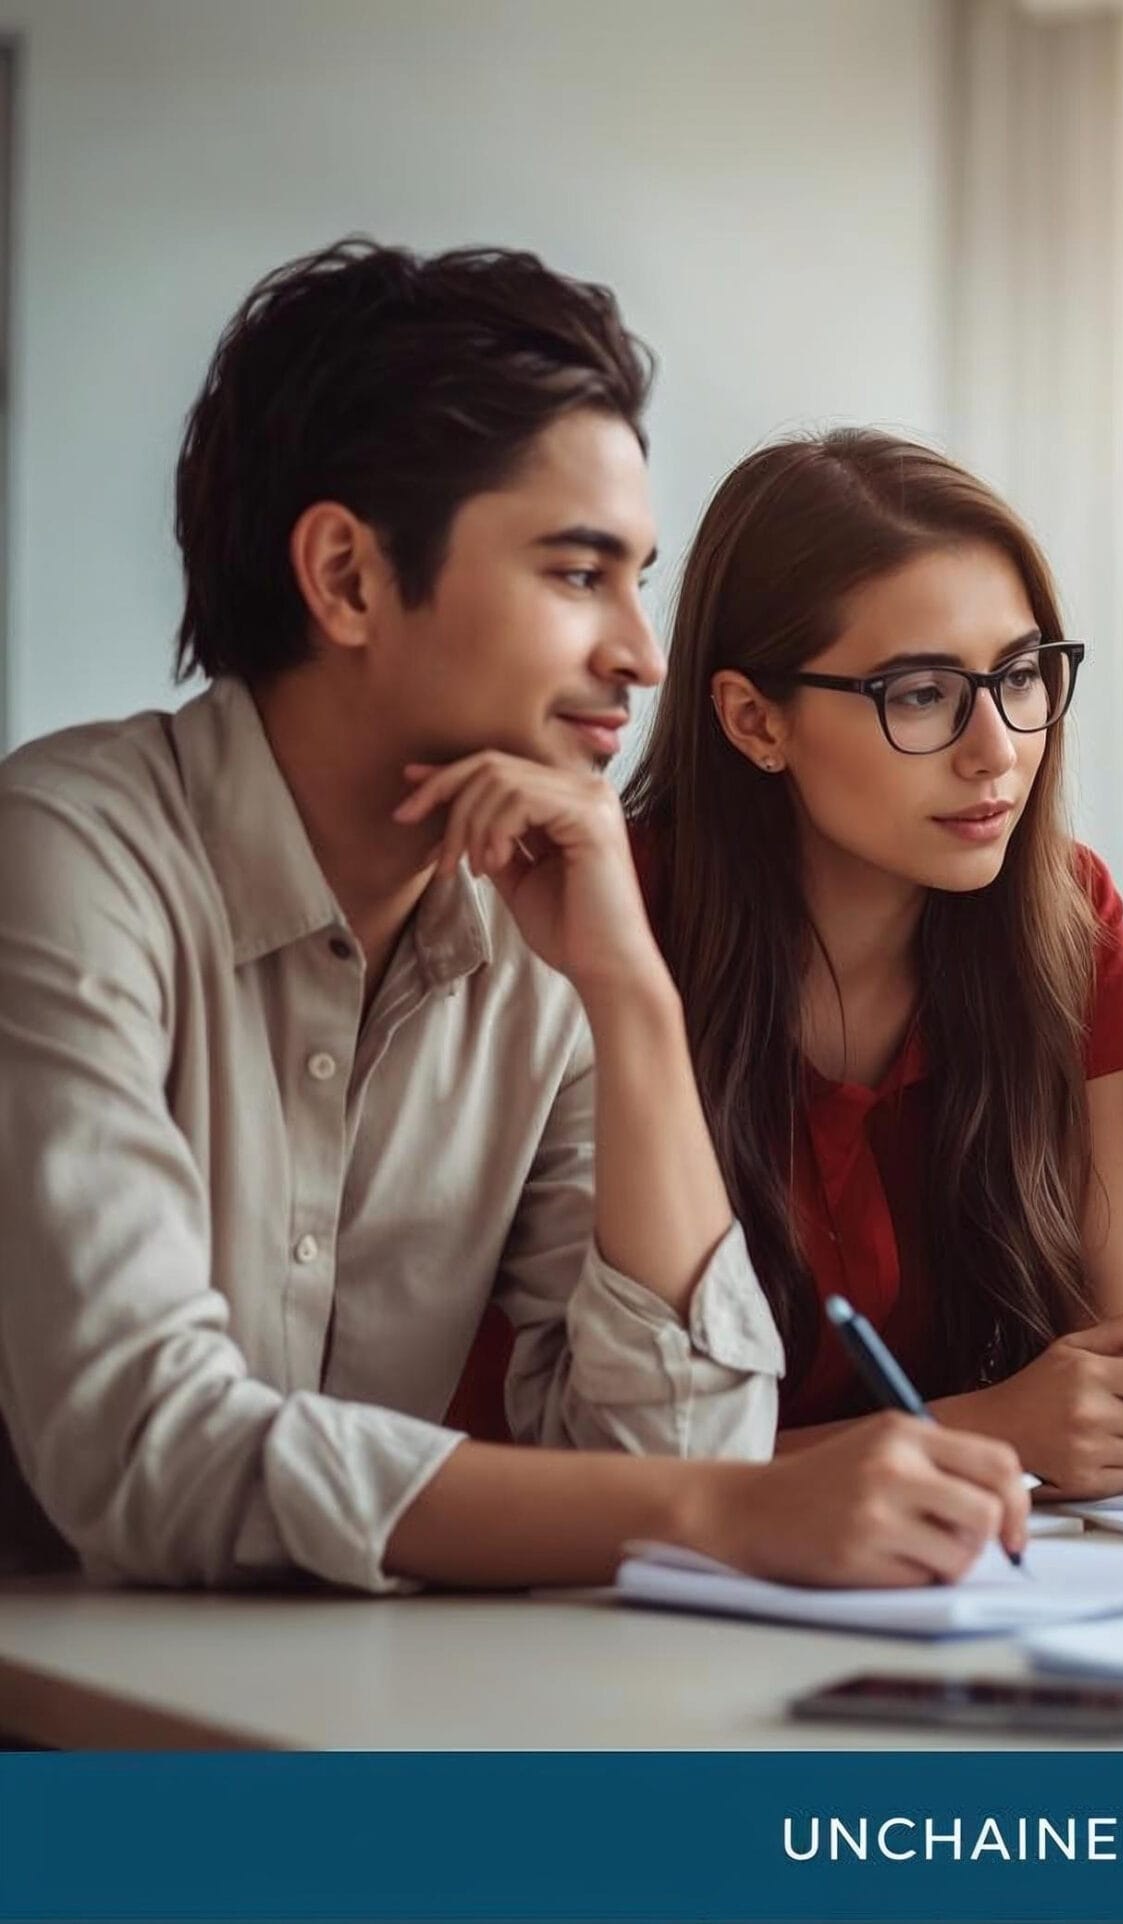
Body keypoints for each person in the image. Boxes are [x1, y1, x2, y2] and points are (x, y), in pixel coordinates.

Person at [0, 242, 1026, 1592]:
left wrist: (633, 1001)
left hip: (359, 1708)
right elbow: (150, 1455)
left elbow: (668, 1439)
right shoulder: (67, 856)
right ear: (348, 577)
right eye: (574, 573)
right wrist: (722, 1514)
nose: (643, 655)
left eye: (638, 580)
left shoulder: (549, 916)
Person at [609, 428, 1123, 1498]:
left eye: (1021, 675)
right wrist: (988, 1430)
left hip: (954, 1594)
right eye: (921, 694)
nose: (997, 748)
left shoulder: (1066, 916)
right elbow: (569, 1459)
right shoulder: (603, 919)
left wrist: (1044, 1424)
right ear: (755, 721)